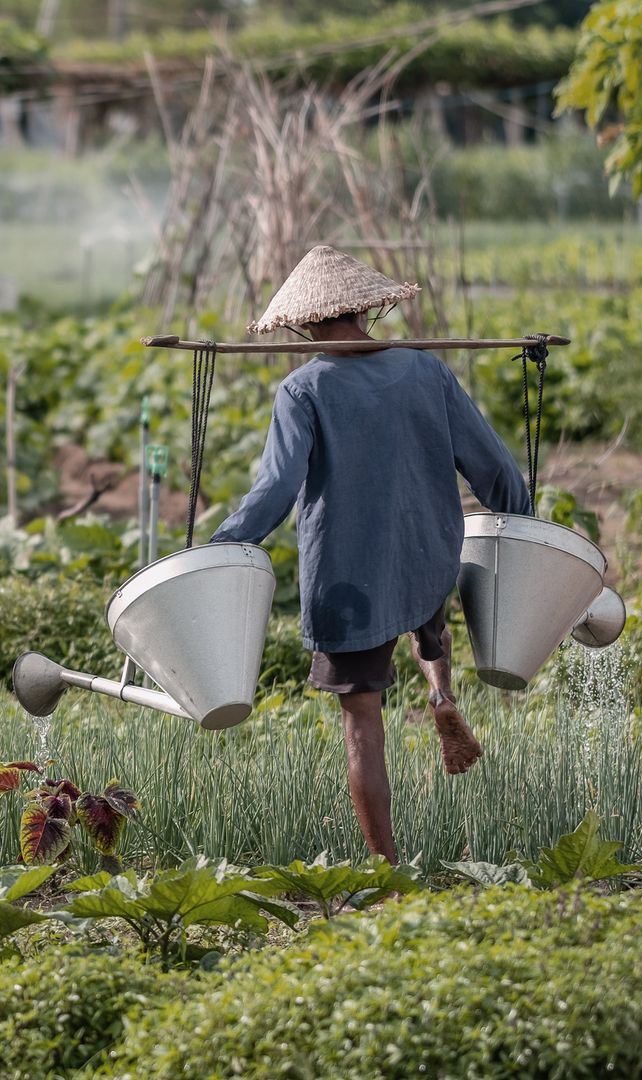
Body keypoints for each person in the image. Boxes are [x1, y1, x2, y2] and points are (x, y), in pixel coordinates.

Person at [212, 246, 532, 863]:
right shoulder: (426, 370)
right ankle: (441, 695)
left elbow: (277, 488)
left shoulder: (303, 389)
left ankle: (388, 869)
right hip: (426, 548)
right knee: (423, 614)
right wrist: (521, 517)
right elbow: (491, 464)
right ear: (365, 310)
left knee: (362, 724)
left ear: (305, 324)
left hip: (348, 574)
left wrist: (224, 546)